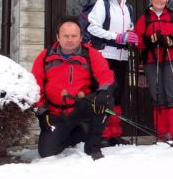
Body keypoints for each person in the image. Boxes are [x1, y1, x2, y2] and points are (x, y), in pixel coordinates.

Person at [32, 19, 115, 160]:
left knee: (106, 100)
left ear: (81, 37)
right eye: (66, 36)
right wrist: (41, 110)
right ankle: (76, 133)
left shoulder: (90, 53)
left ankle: (92, 145)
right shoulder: (45, 56)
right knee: (47, 152)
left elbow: (106, 75)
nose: (70, 40)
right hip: (56, 113)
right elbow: (35, 85)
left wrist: (103, 91)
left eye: (74, 36)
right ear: (58, 37)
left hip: (81, 107)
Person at [135, 0, 173, 144]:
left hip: (171, 60)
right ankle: (161, 134)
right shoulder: (144, 18)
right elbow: (136, 40)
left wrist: (172, 41)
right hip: (151, 62)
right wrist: (148, 40)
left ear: (167, 0)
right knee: (158, 96)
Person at [87, 0, 138, 147]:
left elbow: (129, 27)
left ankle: (114, 133)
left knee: (117, 97)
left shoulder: (127, 7)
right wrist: (116, 37)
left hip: (122, 56)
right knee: (104, 95)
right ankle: (102, 133)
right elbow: (92, 27)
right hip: (105, 55)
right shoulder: (103, 4)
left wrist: (131, 35)